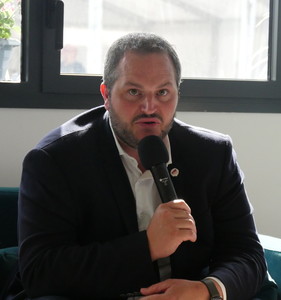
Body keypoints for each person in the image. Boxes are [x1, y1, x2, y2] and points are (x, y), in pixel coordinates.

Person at [15, 33, 267, 299]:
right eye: (134, 92)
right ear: (106, 94)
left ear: (177, 93)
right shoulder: (55, 160)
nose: (149, 107)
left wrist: (206, 290)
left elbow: (246, 252)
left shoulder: (213, 154)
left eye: (163, 92)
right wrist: (148, 245)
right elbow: (39, 271)